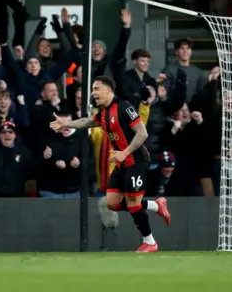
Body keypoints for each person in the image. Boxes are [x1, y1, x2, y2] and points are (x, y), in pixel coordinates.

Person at [49, 76, 171, 252]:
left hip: (135, 160)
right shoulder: (104, 113)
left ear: (108, 90)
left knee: (133, 204)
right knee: (112, 203)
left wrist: (125, 152)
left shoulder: (124, 107)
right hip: (121, 162)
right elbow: (88, 121)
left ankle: (150, 242)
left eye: (96, 89)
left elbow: (142, 133)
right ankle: (156, 205)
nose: (93, 93)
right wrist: (66, 123)